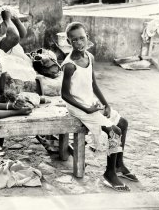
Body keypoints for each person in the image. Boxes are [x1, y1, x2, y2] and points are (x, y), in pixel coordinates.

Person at [61, 22, 138, 192]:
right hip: (78, 106)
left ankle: (119, 165)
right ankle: (109, 174)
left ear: (87, 36)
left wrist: (106, 104)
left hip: (90, 102)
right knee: (114, 131)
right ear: (69, 42)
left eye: (82, 38)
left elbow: (93, 84)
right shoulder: (70, 65)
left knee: (122, 123)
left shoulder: (89, 57)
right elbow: (65, 95)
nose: (79, 43)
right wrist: (86, 109)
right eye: (74, 40)